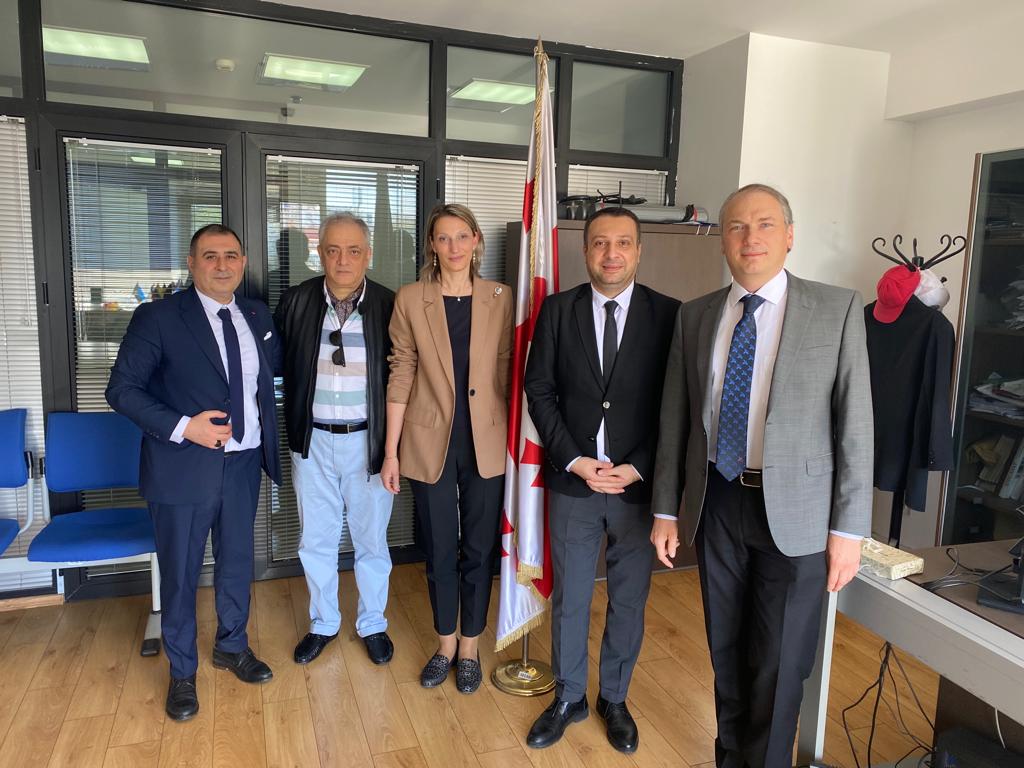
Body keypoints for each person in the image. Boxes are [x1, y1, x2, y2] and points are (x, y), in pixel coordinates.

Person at [651, 184, 872, 768]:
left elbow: (855, 424)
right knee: (726, 650)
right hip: (718, 502)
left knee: (778, 662)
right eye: (737, 226)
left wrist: (849, 529)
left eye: (766, 224)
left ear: (790, 235)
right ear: (723, 240)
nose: (751, 238)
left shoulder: (837, 308)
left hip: (799, 515)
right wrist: (667, 509)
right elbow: (676, 419)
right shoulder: (696, 315)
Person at [106, 224, 281, 722]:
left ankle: (232, 646)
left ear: (243, 262)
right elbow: (121, 389)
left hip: (244, 463)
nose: (222, 265)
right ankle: (182, 671)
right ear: (191, 263)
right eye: (210, 256)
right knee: (181, 574)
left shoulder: (257, 315)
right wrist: (186, 427)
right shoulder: (159, 317)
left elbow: (263, 382)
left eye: (231, 255)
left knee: (237, 562)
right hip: (182, 466)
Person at [523, 207, 679, 753]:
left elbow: (675, 403)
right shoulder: (557, 310)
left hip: (637, 488)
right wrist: (574, 459)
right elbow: (539, 390)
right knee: (570, 597)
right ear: (585, 250)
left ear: (638, 250)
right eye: (600, 243)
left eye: (623, 243)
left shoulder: (670, 315)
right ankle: (569, 696)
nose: (611, 254)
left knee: (628, 599)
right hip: (575, 484)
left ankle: (614, 698)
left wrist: (638, 465)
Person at [383, 203, 512, 694]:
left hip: (487, 440)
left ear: (476, 240)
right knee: (439, 548)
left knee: (479, 548)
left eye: (462, 236)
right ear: (432, 246)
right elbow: (401, 371)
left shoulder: (501, 296)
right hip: (428, 439)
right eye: (443, 237)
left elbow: (507, 369)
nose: (453, 246)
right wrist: (391, 452)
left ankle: (471, 648)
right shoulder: (411, 298)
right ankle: (445, 645)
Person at [274, 213, 397, 667]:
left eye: (353, 250)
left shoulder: (389, 305)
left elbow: (403, 378)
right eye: (333, 250)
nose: (343, 259)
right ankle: (323, 623)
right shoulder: (296, 302)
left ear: (368, 255)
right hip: (312, 443)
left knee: (372, 541)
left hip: (369, 444)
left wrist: (394, 449)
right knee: (316, 540)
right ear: (320, 253)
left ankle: (373, 623)